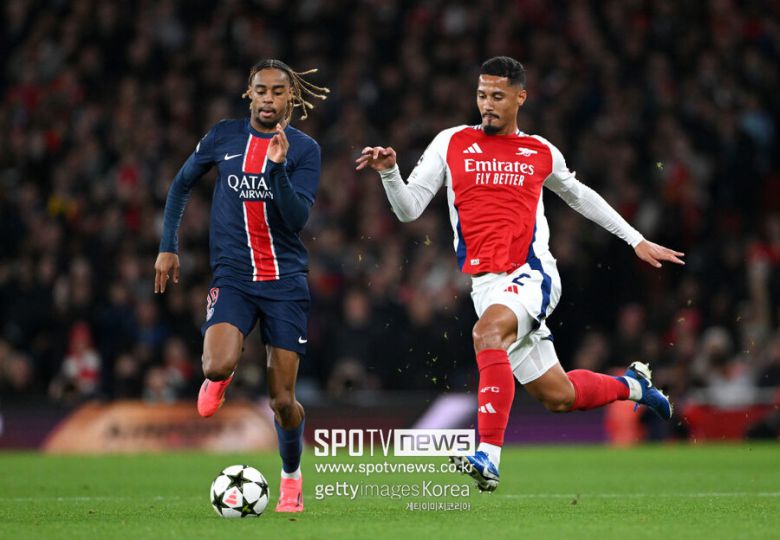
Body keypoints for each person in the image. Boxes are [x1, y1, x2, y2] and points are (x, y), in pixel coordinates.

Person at [356, 56, 683, 492]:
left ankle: (487, 458)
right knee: (559, 396)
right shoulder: (451, 142)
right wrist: (390, 174)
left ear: (520, 98)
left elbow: (580, 196)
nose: (487, 104)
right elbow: (408, 209)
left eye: (497, 96)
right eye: (481, 95)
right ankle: (634, 386)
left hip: (531, 274)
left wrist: (635, 239)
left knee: (486, 333)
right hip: (485, 286)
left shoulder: (539, 151)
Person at [155, 59, 328, 512]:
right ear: (248, 94)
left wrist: (276, 169)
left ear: (290, 97)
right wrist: (168, 245)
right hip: (234, 277)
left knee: (283, 401)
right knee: (215, 364)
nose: (269, 99)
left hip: (285, 282)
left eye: (277, 91)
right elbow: (180, 185)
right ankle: (221, 376)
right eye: (261, 90)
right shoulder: (223, 137)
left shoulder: (304, 149)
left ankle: (291, 477)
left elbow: (297, 219)